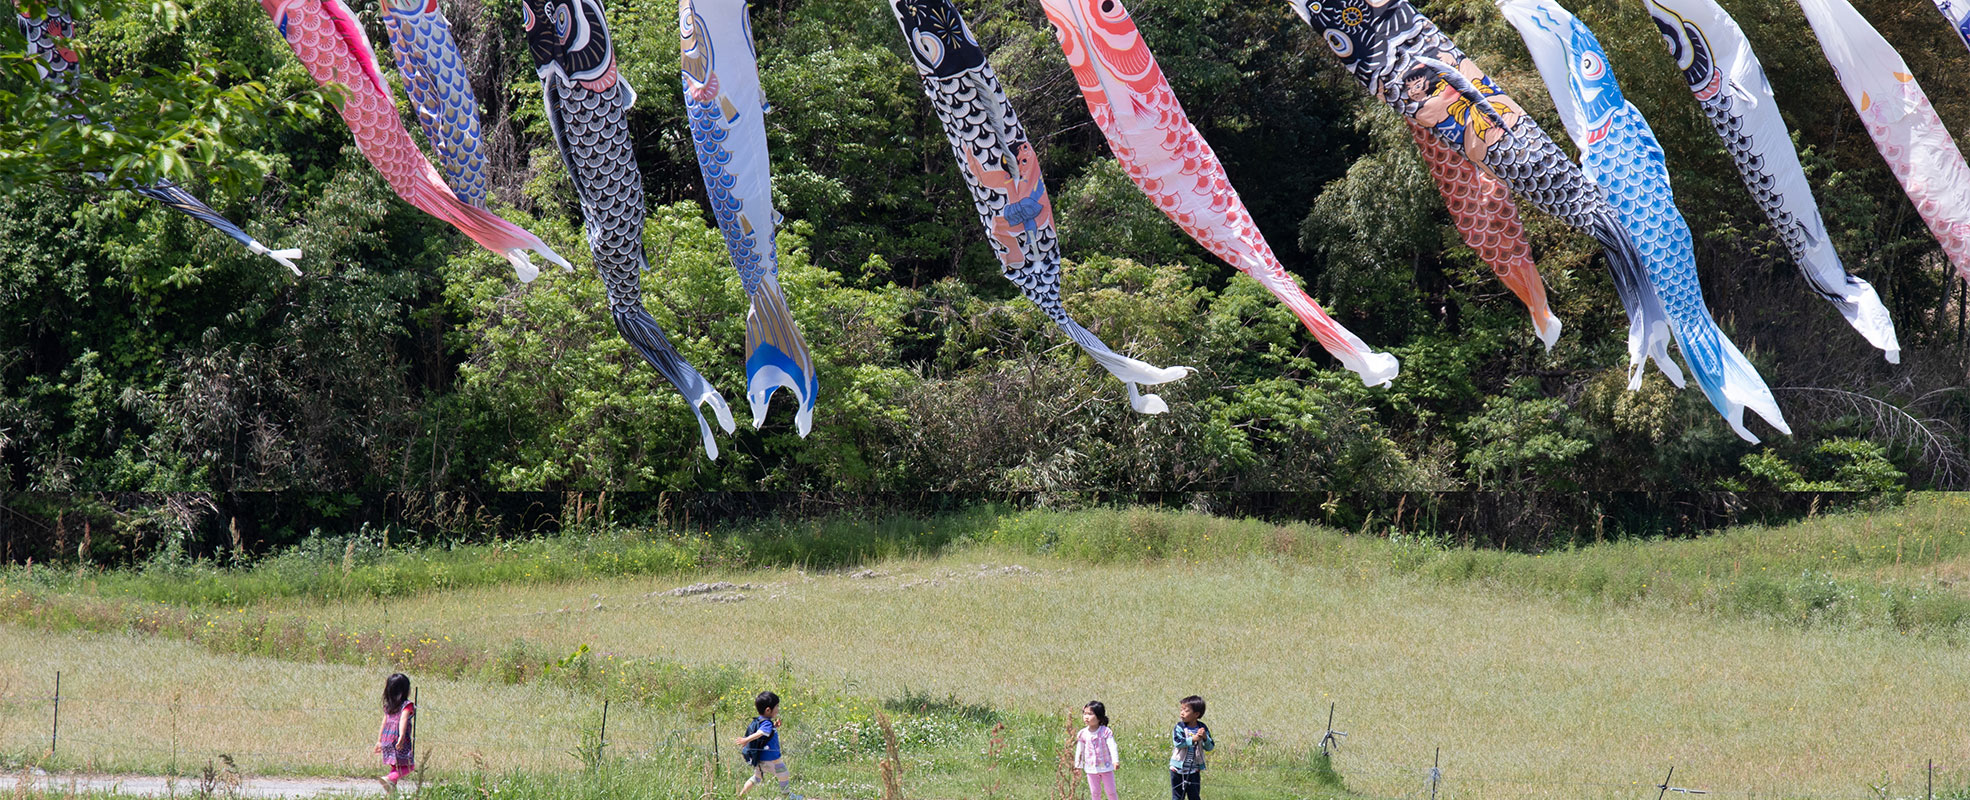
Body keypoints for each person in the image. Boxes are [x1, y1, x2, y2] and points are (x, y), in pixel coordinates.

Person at [734, 690, 803, 800]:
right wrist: (746, 739)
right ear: (768, 710)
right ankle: (787, 796)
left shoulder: (760, 721)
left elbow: (765, 734)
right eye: (777, 706)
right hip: (772, 759)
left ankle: (741, 795)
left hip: (761, 759)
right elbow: (761, 733)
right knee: (784, 774)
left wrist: (774, 726)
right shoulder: (766, 723)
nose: (778, 709)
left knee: (756, 778)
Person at [373, 673, 416, 791]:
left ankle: (391, 791)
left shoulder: (389, 707)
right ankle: (390, 779)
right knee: (409, 766)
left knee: (395, 766)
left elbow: (384, 723)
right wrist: (401, 736)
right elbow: (403, 720)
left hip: (387, 738)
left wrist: (379, 741)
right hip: (398, 739)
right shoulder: (407, 705)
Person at [1168, 695, 1213, 800]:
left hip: (1194, 769)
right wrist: (1193, 739)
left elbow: (1210, 747)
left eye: (1186, 711)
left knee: (1194, 796)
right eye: (1181, 710)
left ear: (1196, 714)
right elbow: (1178, 743)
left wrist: (1205, 738)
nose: (1182, 713)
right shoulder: (1179, 727)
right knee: (1177, 797)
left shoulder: (1202, 728)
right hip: (1177, 769)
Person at [1075, 700, 1120, 800]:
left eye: (1090, 714)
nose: (1086, 717)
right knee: (1095, 793)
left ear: (1099, 717)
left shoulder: (1105, 732)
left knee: (1111, 791)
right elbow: (1080, 750)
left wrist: (1115, 760)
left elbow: (1112, 746)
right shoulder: (1083, 733)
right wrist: (1078, 765)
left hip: (1106, 767)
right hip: (1091, 768)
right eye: (1085, 713)